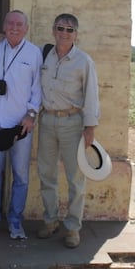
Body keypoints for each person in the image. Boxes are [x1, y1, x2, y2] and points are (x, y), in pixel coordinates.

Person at [36, 13, 100, 248]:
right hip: (47, 121)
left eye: (70, 30)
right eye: (60, 28)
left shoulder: (84, 61)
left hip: (72, 123)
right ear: (53, 30)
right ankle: (50, 221)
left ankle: (73, 229)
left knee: (75, 178)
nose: (64, 33)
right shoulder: (43, 56)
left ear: (76, 34)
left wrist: (89, 128)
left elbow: (92, 95)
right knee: (47, 174)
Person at [0, 10, 43, 240]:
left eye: (19, 24)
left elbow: (38, 88)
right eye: (10, 23)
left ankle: (16, 221)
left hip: (21, 126)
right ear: (3, 26)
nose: (14, 27)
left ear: (26, 28)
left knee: (21, 176)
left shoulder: (34, 53)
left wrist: (31, 114)